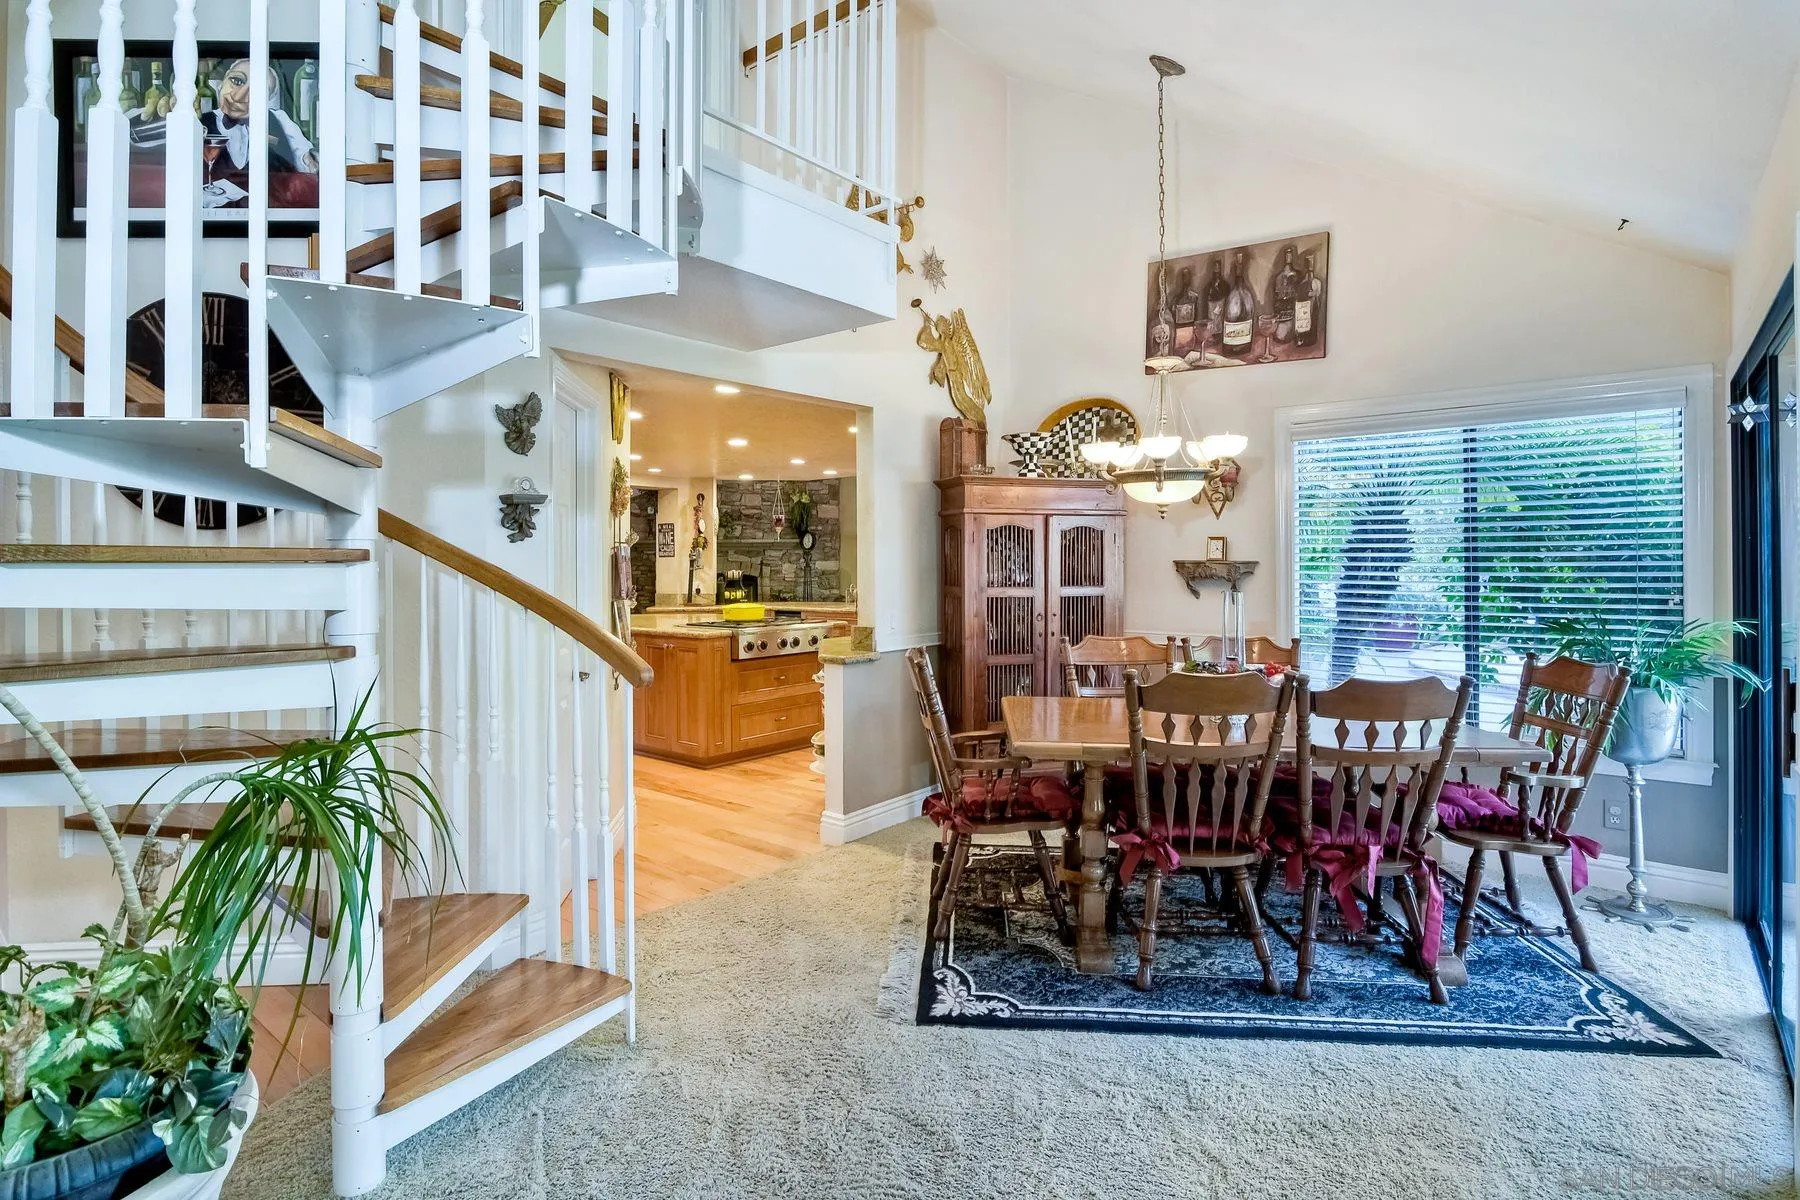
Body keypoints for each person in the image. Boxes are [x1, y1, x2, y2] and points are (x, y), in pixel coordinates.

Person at [199, 58, 317, 177]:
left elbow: (303, 154)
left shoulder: (279, 118)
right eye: (237, 81)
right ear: (222, 82)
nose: (239, 97)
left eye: (257, 91)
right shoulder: (199, 121)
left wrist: (310, 160)